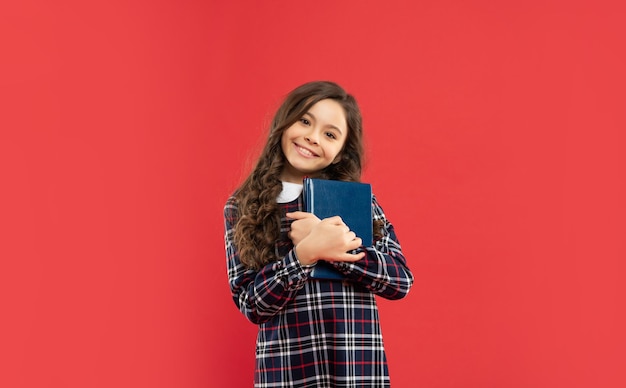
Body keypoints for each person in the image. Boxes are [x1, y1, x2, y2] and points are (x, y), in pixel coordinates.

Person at [224, 81, 413, 387]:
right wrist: (302, 256)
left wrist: (338, 251)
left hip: (356, 371)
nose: (312, 137)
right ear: (285, 123)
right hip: (286, 374)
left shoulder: (356, 200)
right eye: (305, 121)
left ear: (339, 153)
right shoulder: (241, 206)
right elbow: (251, 303)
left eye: (329, 134)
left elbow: (400, 281)